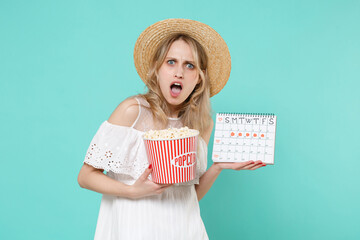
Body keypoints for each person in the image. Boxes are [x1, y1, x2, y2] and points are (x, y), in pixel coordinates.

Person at [77, 18, 266, 240]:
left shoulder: (202, 124)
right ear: (156, 69)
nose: (179, 73)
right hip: (134, 227)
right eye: (171, 62)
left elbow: (189, 194)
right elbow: (86, 176)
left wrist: (217, 167)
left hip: (184, 229)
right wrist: (132, 191)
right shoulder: (132, 111)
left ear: (198, 78)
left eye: (189, 65)